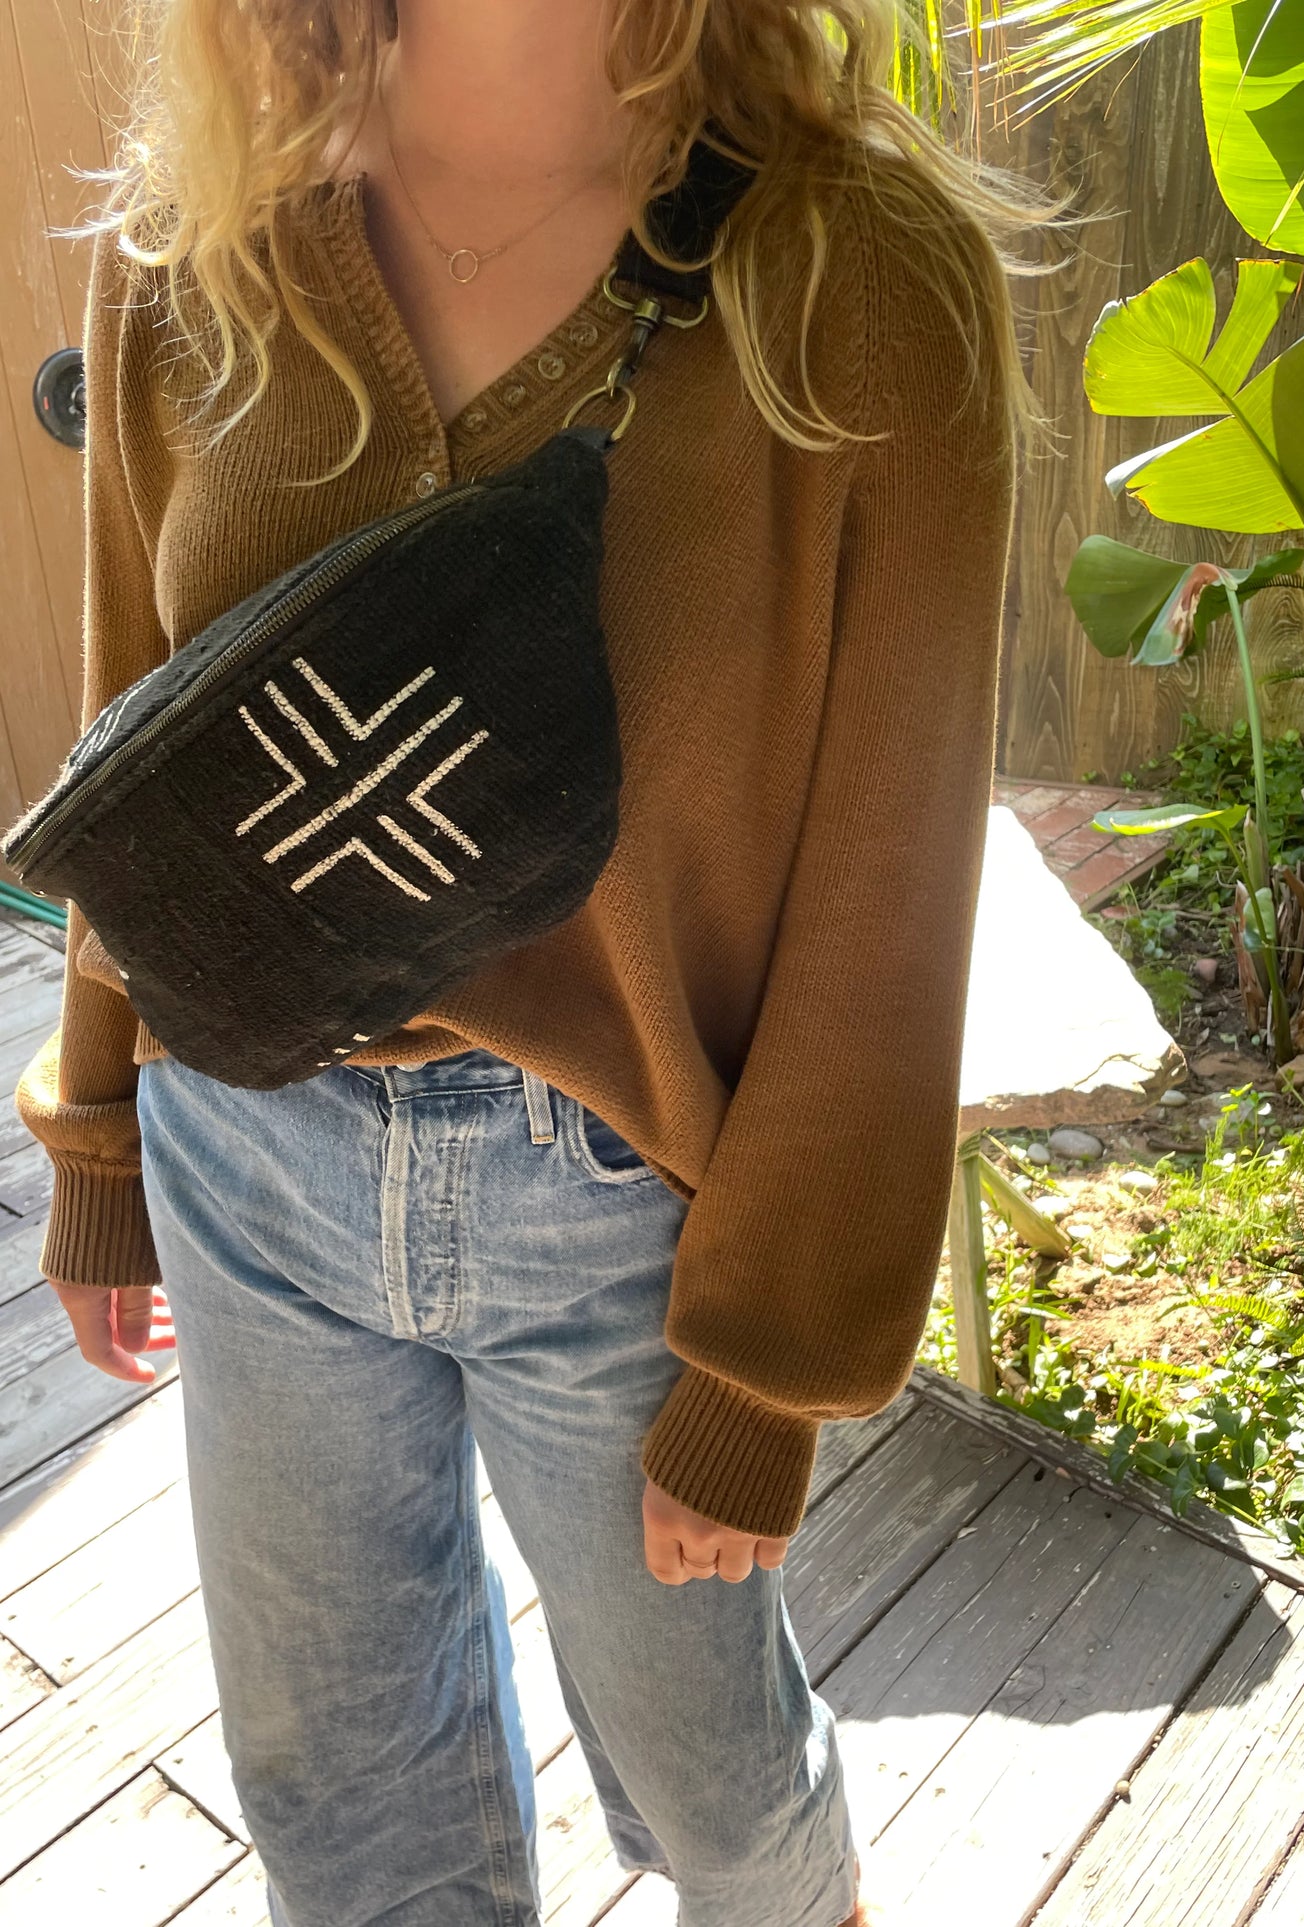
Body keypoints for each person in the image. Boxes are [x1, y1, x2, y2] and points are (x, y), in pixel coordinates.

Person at [15, 1, 1043, 1921]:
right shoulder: (199, 234)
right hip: (248, 1153)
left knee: (719, 1801)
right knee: (341, 1791)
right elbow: (137, 744)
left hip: (625, 1202)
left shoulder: (857, 275)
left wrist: (771, 1356)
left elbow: (889, 880)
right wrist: (96, 1130)